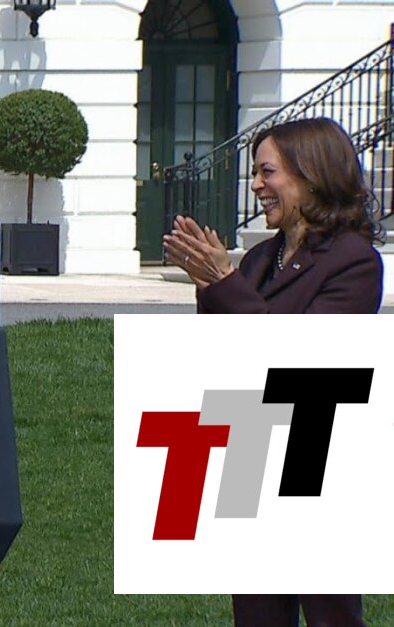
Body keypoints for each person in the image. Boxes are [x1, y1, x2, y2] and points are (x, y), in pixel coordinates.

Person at [163, 117, 382, 627]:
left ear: (311, 176)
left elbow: (297, 359)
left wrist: (224, 281)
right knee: (258, 613)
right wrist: (210, 286)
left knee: (330, 613)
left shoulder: (353, 262)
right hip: (254, 457)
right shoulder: (262, 257)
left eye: (268, 172)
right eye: (256, 173)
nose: (257, 185)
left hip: (315, 461)